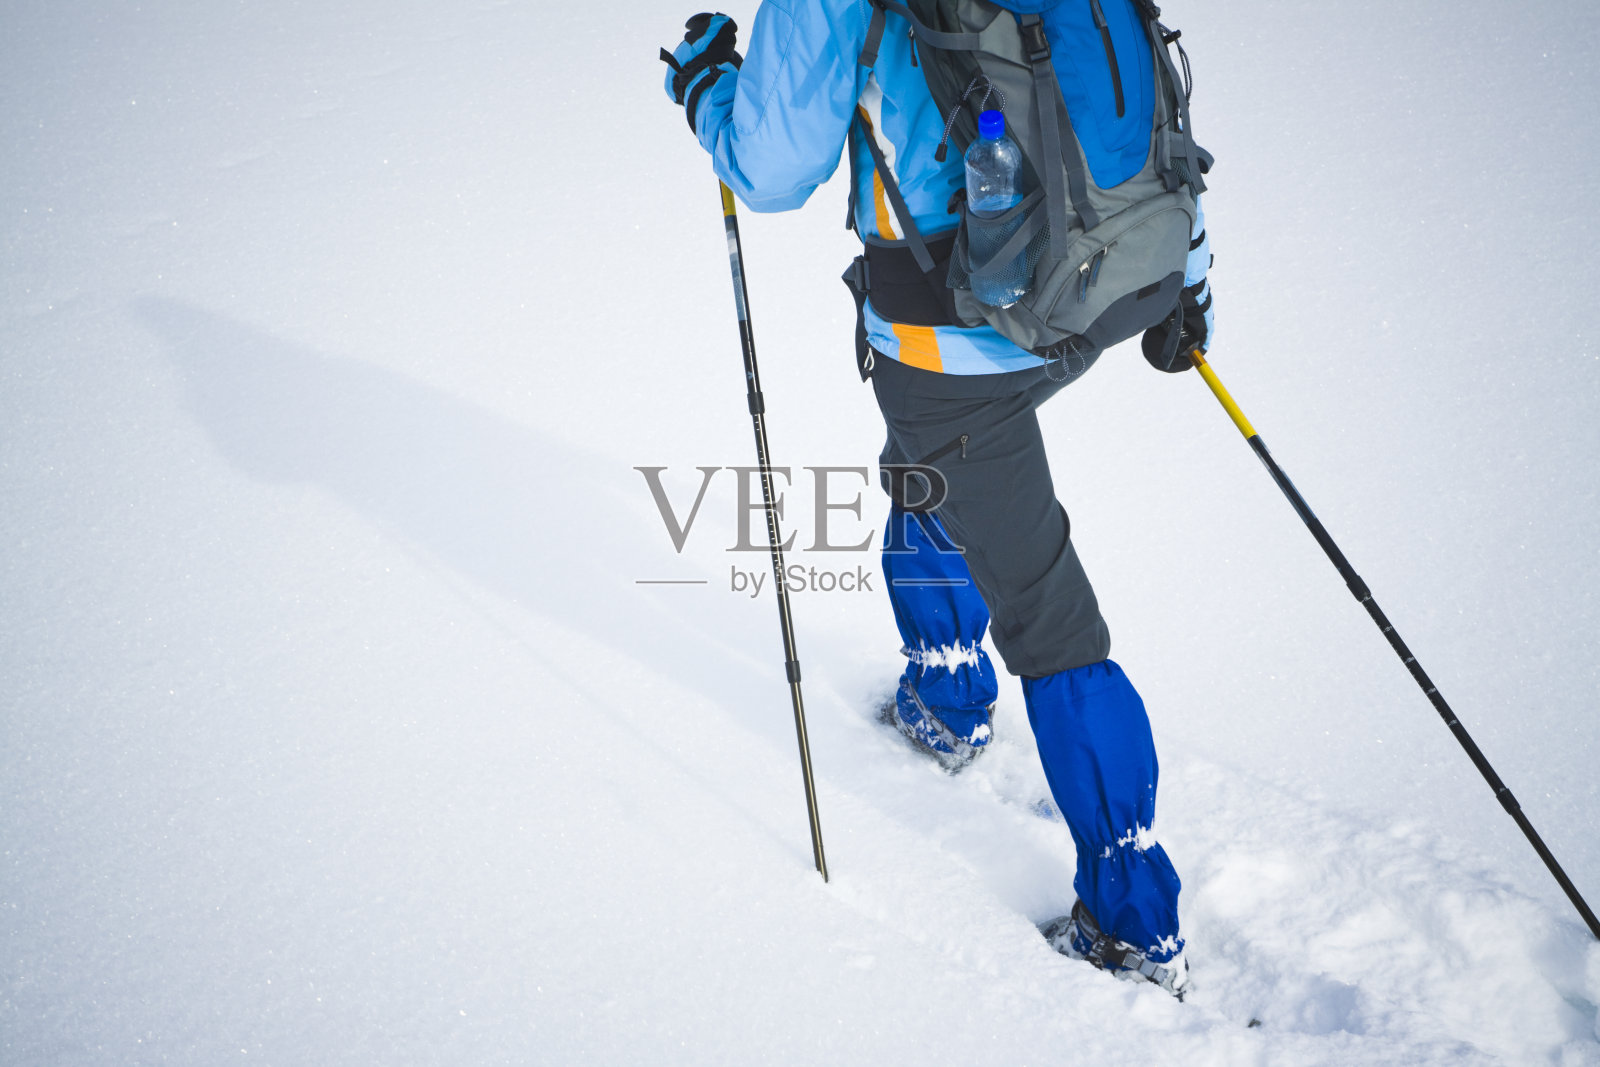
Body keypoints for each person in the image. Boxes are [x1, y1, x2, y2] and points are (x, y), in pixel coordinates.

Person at [662, 1, 1214, 999]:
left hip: (952, 336)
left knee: (1044, 610)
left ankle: (1132, 916)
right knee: (933, 464)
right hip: (1109, 283)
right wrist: (1191, 280)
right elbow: (1144, 104)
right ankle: (944, 679)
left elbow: (773, 167)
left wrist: (706, 89)